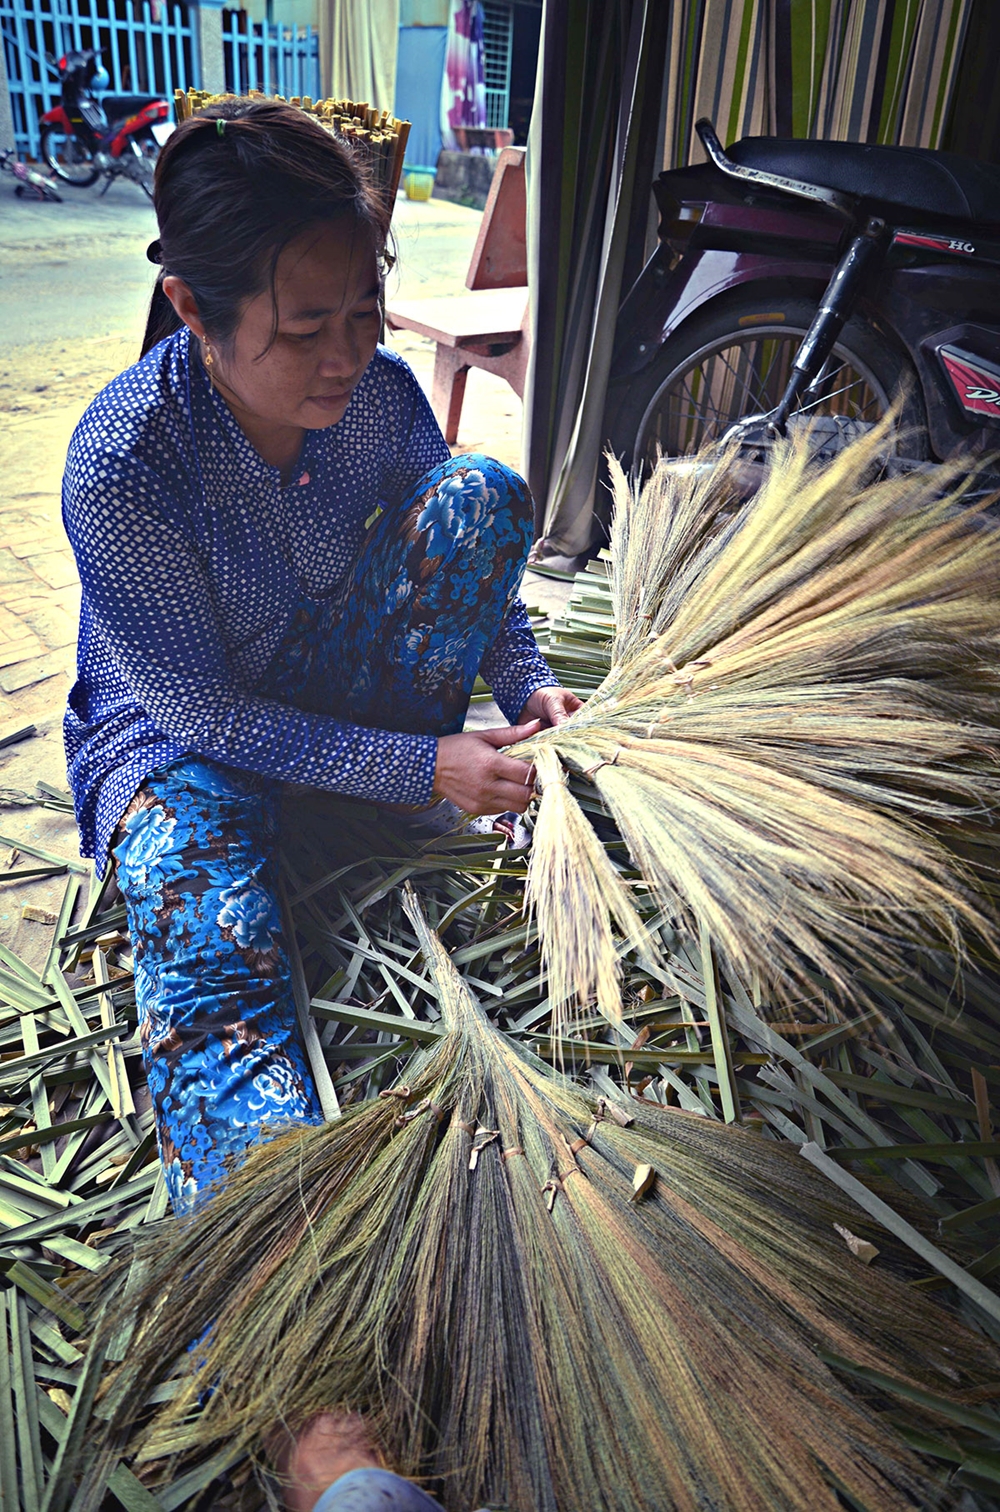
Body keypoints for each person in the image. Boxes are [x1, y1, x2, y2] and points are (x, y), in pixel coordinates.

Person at [61, 97, 581, 1509]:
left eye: (368, 307)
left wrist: (526, 684)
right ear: (193, 306)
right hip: (184, 751)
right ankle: (320, 1423)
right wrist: (421, 771)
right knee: (215, 966)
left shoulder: (371, 396)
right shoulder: (124, 468)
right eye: (305, 324)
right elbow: (211, 718)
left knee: (480, 492)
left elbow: (451, 526)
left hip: (333, 696)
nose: (351, 353)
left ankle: (356, 810)